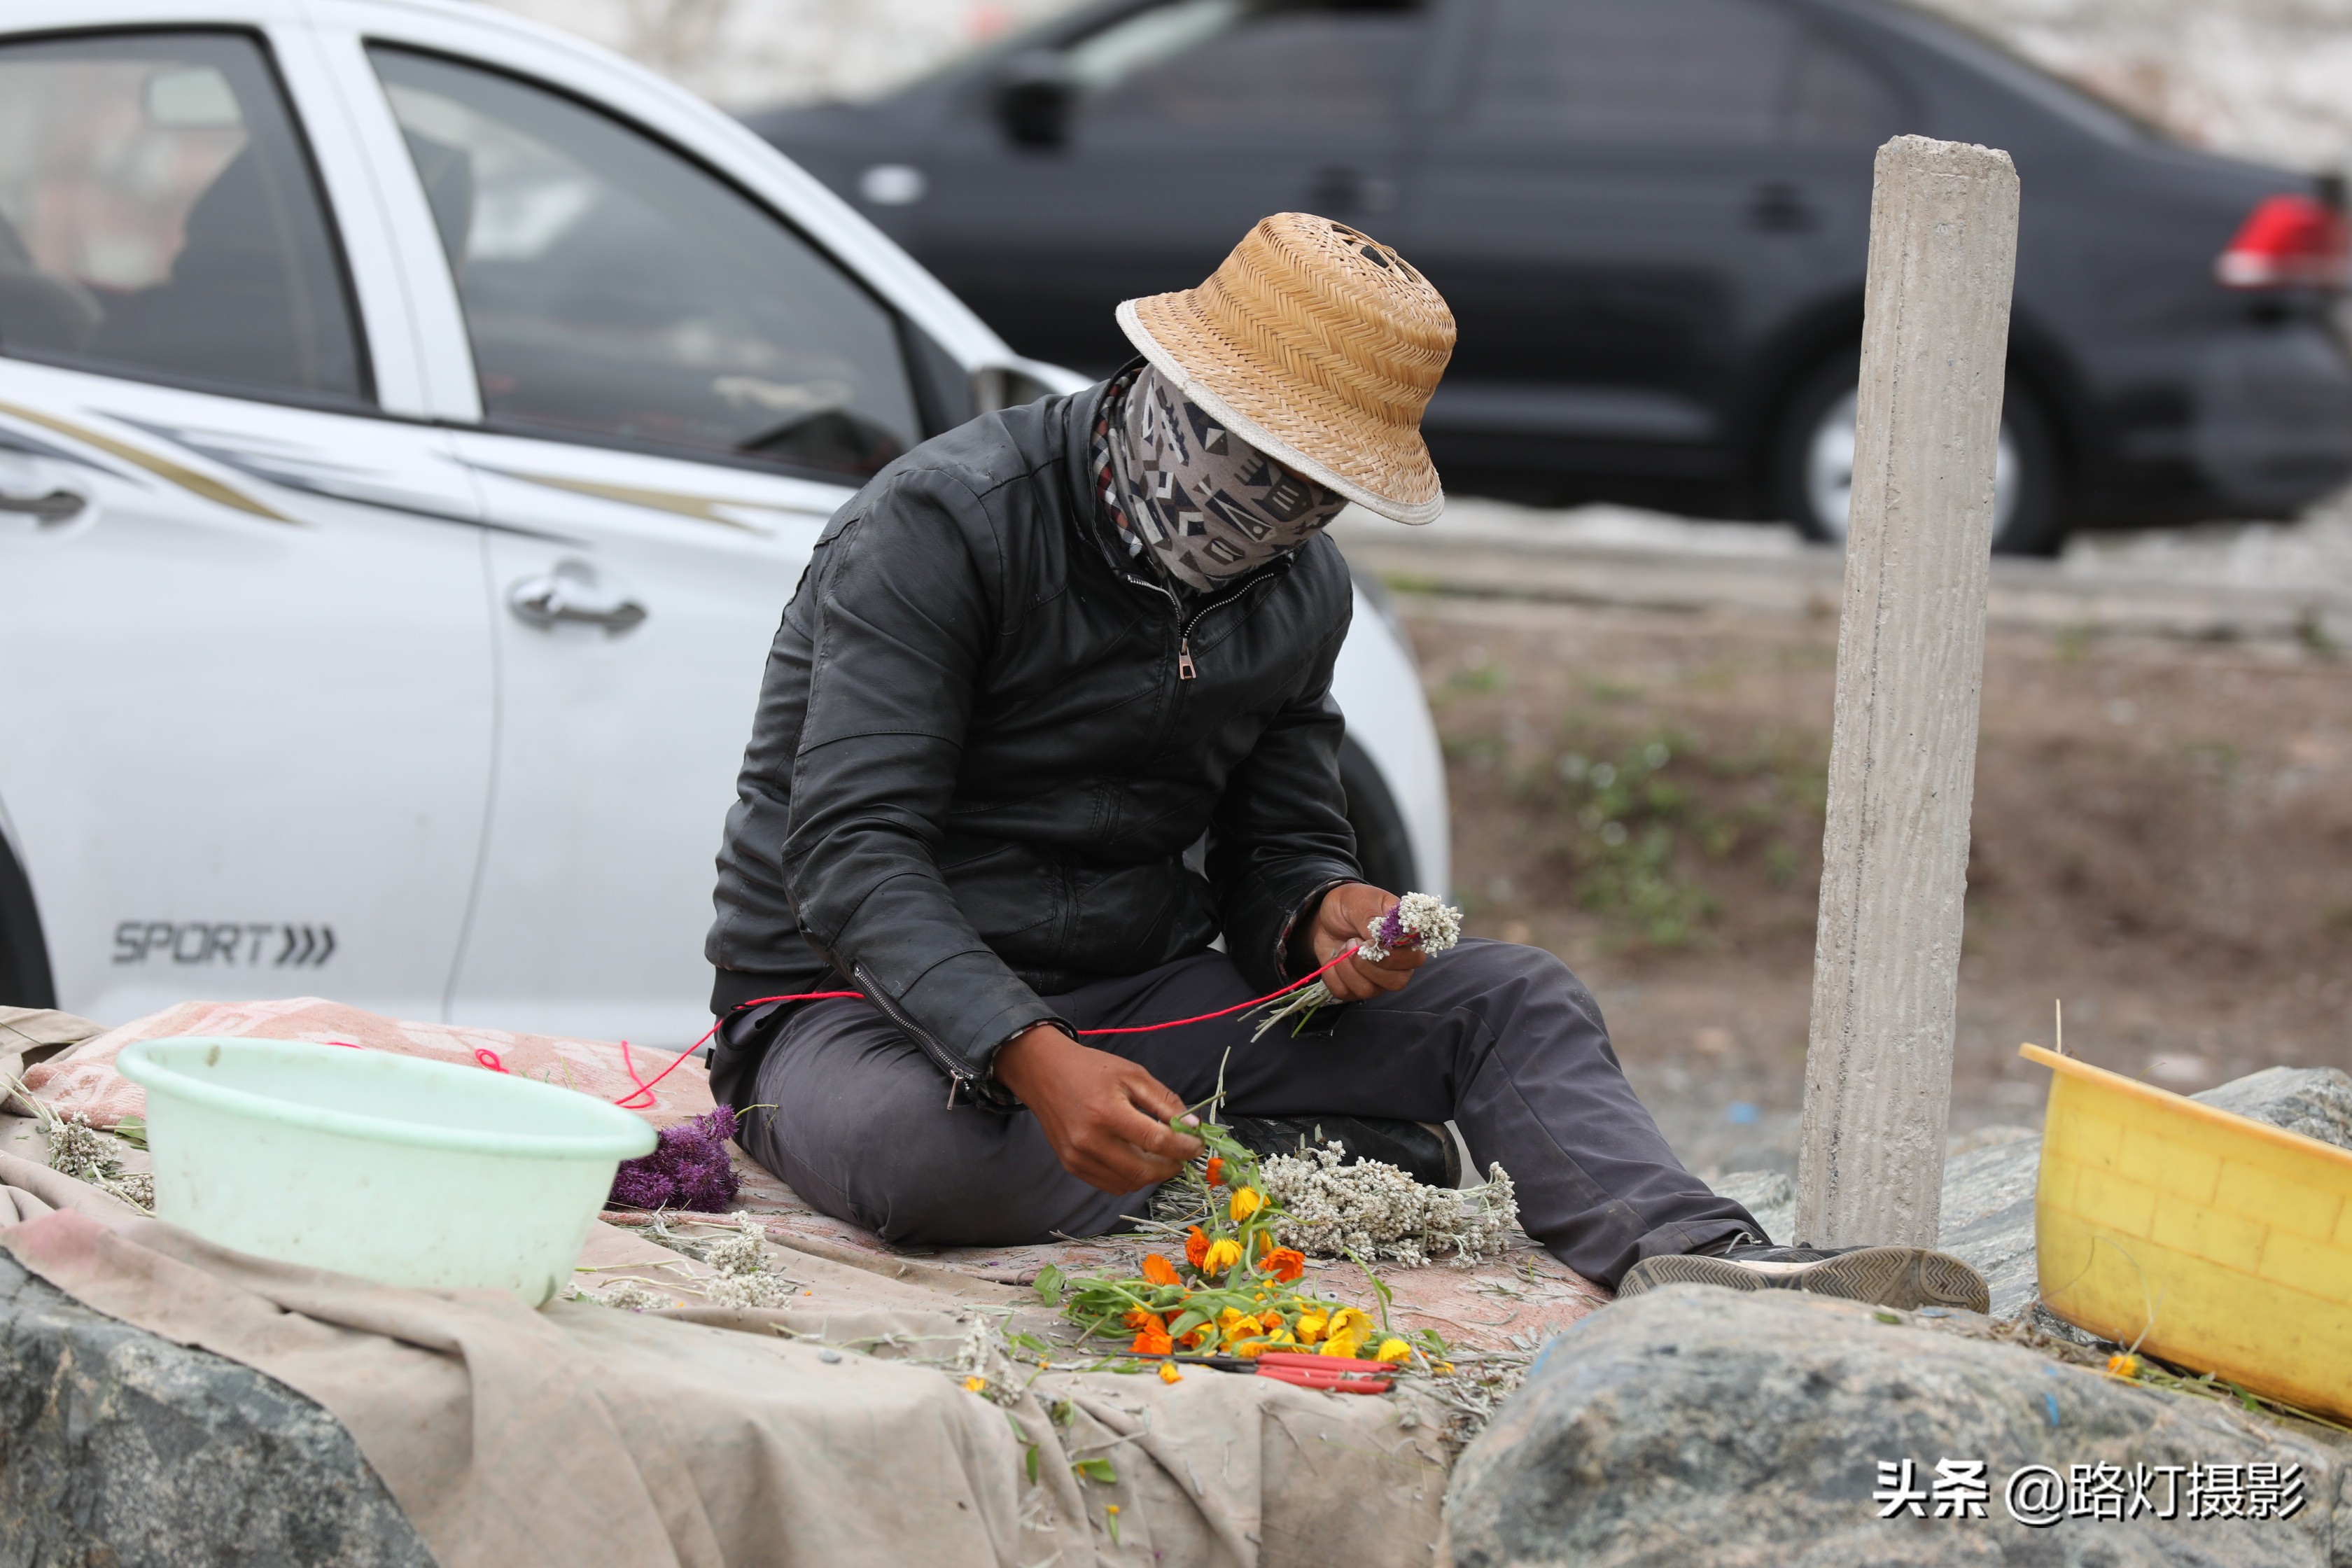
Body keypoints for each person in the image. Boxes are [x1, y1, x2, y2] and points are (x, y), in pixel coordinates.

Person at [704, 214, 1989, 1312]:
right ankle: (1305, 1156)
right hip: (850, 1012)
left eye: (1319, 489)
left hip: (1135, 994)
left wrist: (1326, 910)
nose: (1285, 510)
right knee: (927, 1166)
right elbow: (848, 852)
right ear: (1171, 391)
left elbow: (1279, 843)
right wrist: (1031, 1056)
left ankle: (1705, 1269)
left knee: (1511, 998)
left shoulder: (1295, 587)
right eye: (1261, 463)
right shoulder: (945, 522)